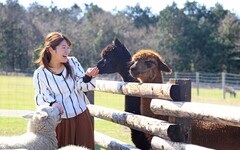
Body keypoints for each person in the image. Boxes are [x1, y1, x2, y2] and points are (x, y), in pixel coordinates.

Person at [33, 32, 99, 149]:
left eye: (68, 48)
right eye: (63, 48)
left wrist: (88, 76)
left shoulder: (73, 62)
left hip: (81, 118)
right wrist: (53, 104)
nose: (67, 51)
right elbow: (40, 97)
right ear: (51, 50)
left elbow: (82, 85)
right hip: (59, 123)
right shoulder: (40, 73)